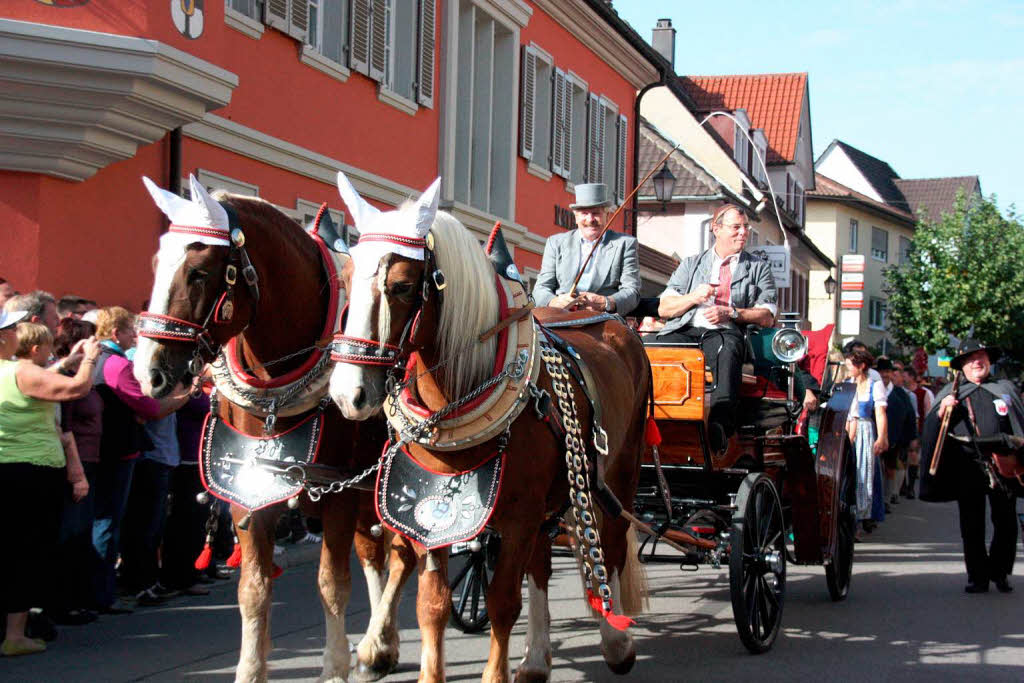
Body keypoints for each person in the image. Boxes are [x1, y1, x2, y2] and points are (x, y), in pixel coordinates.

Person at [0, 309, 100, 656]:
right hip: (31, 472)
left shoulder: (15, 372)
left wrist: (69, 359)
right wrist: (88, 360)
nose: (17, 332)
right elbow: (76, 389)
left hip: (7, 468)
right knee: (25, 552)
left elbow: (38, 381)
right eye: (11, 328)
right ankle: (14, 634)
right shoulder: (20, 370)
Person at [90, 307, 189, 614]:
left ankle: (109, 589)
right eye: (130, 331)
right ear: (115, 332)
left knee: (119, 523)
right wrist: (188, 394)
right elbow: (150, 408)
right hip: (119, 453)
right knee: (113, 525)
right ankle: (107, 592)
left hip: (116, 451)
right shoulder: (117, 364)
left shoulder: (103, 361)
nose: (135, 336)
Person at [652, 204, 777, 439]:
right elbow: (665, 308)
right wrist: (693, 297)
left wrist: (731, 313)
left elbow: (767, 315)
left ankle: (720, 425)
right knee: (649, 346)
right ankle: (650, 415)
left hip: (725, 330)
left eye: (745, 227)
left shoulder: (758, 268)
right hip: (686, 327)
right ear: (716, 229)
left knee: (726, 348)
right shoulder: (691, 264)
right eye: (736, 227)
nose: (743, 233)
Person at [920, 338, 1020, 594]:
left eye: (982, 357)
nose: (978, 362)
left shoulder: (1005, 388)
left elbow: (1020, 425)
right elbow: (933, 430)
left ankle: (999, 571)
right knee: (972, 524)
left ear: (989, 361)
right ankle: (977, 576)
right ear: (962, 365)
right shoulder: (951, 394)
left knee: (1007, 522)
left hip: (1002, 462)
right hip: (967, 463)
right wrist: (943, 410)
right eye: (971, 358)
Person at [533, 183, 641, 316]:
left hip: (603, 320)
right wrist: (553, 301)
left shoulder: (625, 244)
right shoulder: (555, 243)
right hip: (560, 319)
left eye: (596, 213)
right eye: (584, 213)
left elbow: (632, 291)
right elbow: (541, 288)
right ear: (576, 216)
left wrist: (606, 302)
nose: (590, 219)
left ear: (607, 214)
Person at [844, 348, 888, 539]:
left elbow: (880, 413)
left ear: (861, 366)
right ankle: (849, 518)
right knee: (849, 473)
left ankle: (861, 520)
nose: (847, 371)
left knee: (864, 474)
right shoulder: (847, 384)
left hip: (865, 432)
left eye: (850, 366)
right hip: (849, 430)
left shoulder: (874, 385)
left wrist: (882, 437)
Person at [876, 358, 917, 511]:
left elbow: (910, 416)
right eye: (882, 372)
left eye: (887, 372)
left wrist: (912, 438)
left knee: (890, 468)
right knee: (876, 470)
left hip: (895, 437)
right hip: (876, 436)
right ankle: (878, 500)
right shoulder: (874, 388)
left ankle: (886, 499)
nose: (884, 375)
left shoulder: (899, 393)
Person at [902, 366, 933, 498]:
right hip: (903, 429)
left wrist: (924, 431)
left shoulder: (922, 393)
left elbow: (927, 412)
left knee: (913, 456)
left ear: (912, 377)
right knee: (903, 458)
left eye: (905, 375)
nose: (903, 378)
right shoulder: (902, 392)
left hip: (917, 429)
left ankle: (911, 487)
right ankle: (902, 485)